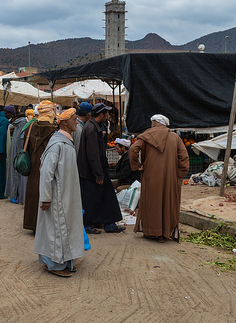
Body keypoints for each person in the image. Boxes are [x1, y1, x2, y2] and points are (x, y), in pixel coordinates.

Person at [34, 108, 84, 277]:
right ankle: (55, 264)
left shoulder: (66, 142)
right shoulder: (56, 145)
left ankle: (66, 262)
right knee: (57, 230)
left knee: (65, 228)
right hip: (57, 197)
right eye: (74, 119)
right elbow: (46, 172)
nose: (77, 122)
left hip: (67, 196)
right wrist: (46, 197)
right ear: (64, 122)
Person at [129, 114, 189, 242]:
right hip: (170, 178)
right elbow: (184, 158)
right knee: (167, 203)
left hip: (150, 177)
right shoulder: (175, 137)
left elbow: (133, 149)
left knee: (152, 203)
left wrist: (137, 166)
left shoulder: (146, 136)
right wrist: (179, 174)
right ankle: (164, 234)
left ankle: (150, 232)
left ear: (155, 123)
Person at [77, 103, 124, 234]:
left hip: (97, 170)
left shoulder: (93, 126)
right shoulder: (91, 129)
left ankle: (109, 224)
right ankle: (87, 225)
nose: (107, 117)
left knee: (106, 197)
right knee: (91, 200)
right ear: (101, 114)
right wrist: (98, 174)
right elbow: (92, 155)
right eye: (106, 114)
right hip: (92, 173)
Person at [23, 101, 58, 232]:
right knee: (48, 193)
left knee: (34, 193)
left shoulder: (30, 127)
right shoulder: (54, 129)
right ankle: (46, 227)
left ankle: (32, 224)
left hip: (33, 165)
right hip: (49, 166)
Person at [5, 110, 28, 203]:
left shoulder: (20, 123)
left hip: (16, 152)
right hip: (19, 152)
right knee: (17, 173)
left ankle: (14, 194)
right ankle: (16, 194)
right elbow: (21, 140)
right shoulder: (24, 123)